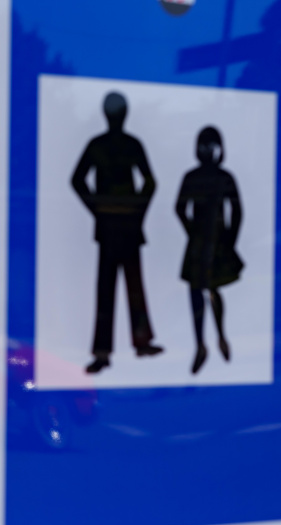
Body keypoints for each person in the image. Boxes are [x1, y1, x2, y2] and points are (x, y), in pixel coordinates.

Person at [70, 91, 163, 374]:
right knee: (117, 288)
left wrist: (102, 210)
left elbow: (150, 182)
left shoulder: (109, 145)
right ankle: (120, 348)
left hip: (118, 225)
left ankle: (119, 349)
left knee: (119, 288)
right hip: (119, 226)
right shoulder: (121, 144)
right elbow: (78, 180)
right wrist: (106, 210)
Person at [175, 127, 243, 375]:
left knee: (212, 288)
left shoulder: (223, 177)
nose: (208, 152)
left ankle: (220, 337)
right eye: (205, 147)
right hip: (204, 240)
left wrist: (230, 239)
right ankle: (201, 344)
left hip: (214, 240)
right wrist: (192, 231)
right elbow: (180, 208)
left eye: (211, 147)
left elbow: (237, 211)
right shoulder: (195, 177)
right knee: (197, 290)